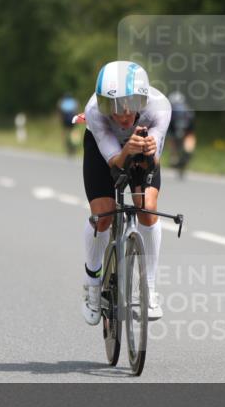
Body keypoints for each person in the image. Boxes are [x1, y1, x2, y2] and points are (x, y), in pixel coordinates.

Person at [81, 61, 170, 324]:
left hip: (141, 149)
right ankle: (91, 284)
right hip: (104, 153)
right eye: (113, 106)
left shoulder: (159, 107)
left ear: (142, 98)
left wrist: (147, 152)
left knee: (148, 209)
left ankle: (149, 288)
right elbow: (114, 164)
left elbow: (154, 162)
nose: (122, 114)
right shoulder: (94, 111)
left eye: (129, 104)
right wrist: (126, 150)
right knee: (103, 216)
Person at [167, 90, 196, 176]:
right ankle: (188, 151)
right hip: (188, 122)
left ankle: (174, 157)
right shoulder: (187, 108)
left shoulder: (170, 108)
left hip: (173, 124)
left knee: (171, 137)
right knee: (190, 135)